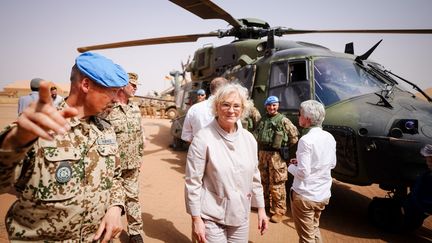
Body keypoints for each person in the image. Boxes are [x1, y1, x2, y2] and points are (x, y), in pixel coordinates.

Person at [0, 52, 127, 242]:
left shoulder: (106, 130)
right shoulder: (37, 129)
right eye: (112, 91)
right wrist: (14, 143)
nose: (117, 99)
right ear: (86, 85)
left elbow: (115, 177)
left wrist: (115, 207)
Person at [185, 83, 268, 243]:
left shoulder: (249, 139)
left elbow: (255, 176)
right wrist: (196, 219)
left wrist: (261, 209)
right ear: (217, 106)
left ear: (243, 109)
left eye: (236, 105)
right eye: (226, 105)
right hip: (211, 215)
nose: (231, 110)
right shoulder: (203, 138)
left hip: (240, 214)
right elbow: (192, 182)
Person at [103, 72, 146, 243]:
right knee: (110, 200)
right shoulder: (108, 108)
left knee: (133, 197)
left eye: (136, 85)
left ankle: (135, 232)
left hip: (132, 163)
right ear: (121, 86)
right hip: (112, 166)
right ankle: (110, 232)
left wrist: (140, 157)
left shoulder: (135, 108)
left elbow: (140, 135)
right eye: (132, 84)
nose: (135, 87)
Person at [288, 100, 336, 243]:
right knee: (314, 229)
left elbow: (303, 173)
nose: (298, 117)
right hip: (322, 195)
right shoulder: (329, 137)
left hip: (305, 196)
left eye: (299, 114)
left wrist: (290, 167)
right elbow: (332, 164)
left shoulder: (306, 140)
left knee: (306, 238)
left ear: (307, 119)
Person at [254, 95, 299, 223]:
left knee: (277, 184)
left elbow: (294, 137)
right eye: (269, 105)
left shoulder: (283, 120)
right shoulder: (263, 120)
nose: (271, 107)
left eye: (274, 105)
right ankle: (265, 205)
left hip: (276, 157)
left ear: (278, 105)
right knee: (263, 181)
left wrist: (284, 148)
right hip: (263, 155)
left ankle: (279, 211)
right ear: (266, 106)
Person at [181, 77, 228, 143]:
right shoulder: (232, 111)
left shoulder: (194, 109)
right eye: (199, 95)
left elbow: (186, 135)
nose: (200, 96)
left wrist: (198, 145)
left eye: (202, 95)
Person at [401, 144, 432, 229]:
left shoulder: (427, 176)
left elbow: (419, 196)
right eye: (428, 160)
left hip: (421, 205)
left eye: (430, 160)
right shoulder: (427, 175)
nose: (428, 163)